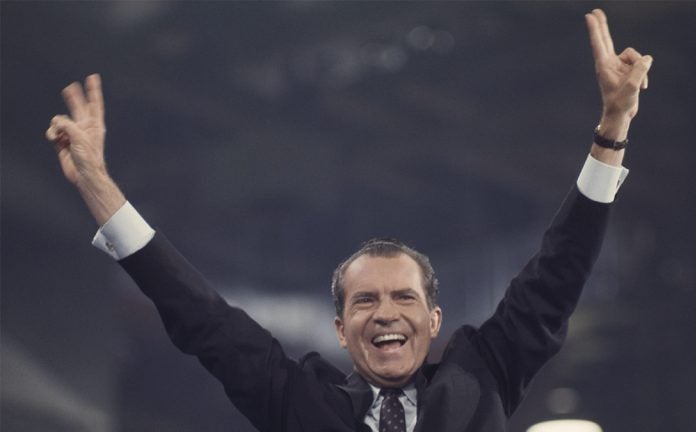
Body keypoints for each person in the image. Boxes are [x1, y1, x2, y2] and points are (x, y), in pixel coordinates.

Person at [45, 9, 652, 432]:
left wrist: (612, 130)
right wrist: (99, 187)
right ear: (340, 329)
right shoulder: (297, 400)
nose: (385, 312)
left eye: (401, 297)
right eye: (364, 301)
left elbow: (558, 276)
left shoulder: (483, 375)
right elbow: (198, 314)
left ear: (433, 318)